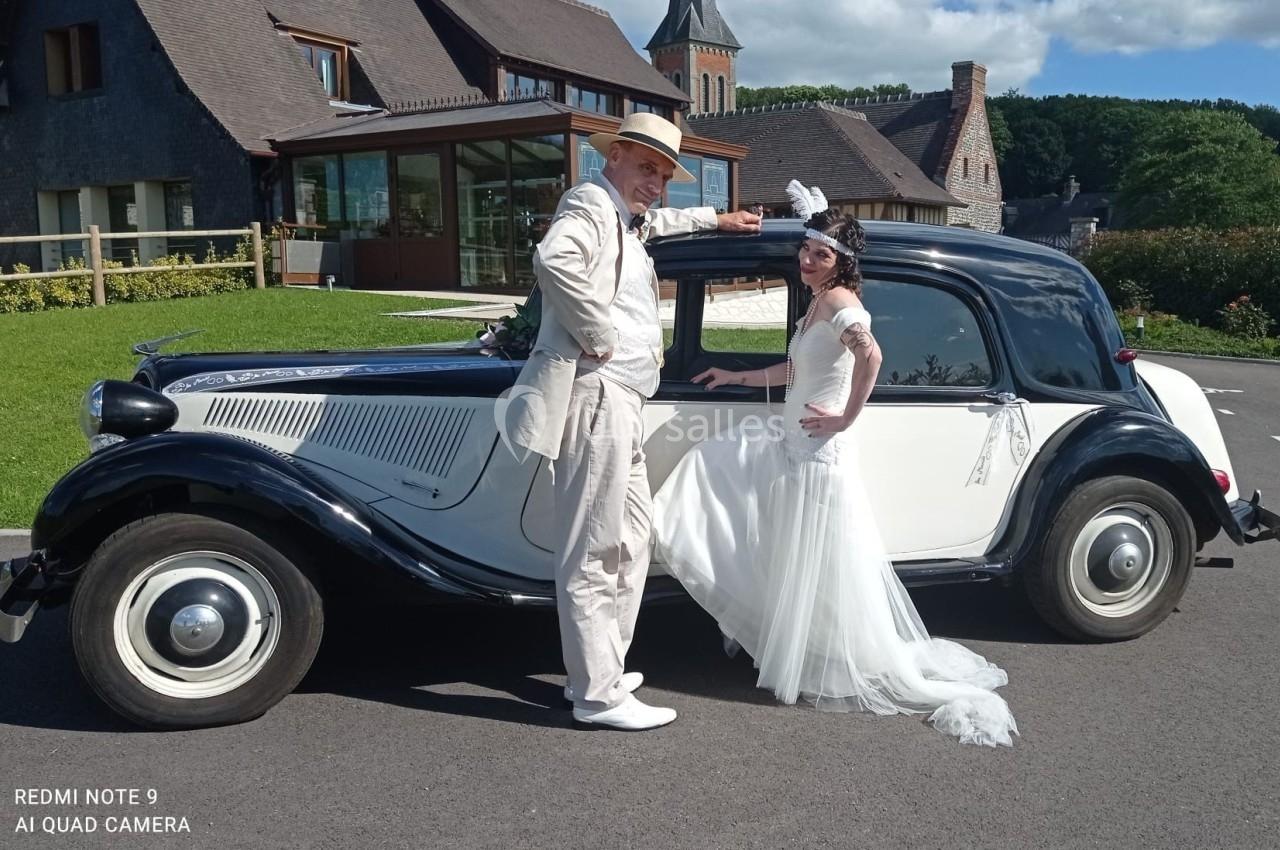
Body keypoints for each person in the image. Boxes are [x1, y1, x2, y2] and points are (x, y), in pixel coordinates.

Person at [651, 188, 1018, 747]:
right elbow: (800, 370)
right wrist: (736, 377)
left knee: (814, 558)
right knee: (779, 537)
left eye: (819, 255)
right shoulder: (820, 299)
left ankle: (817, 650)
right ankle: (795, 638)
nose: (806, 261)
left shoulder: (839, 299)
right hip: (792, 439)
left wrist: (846, 418)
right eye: (805, 250)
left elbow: (870, 354)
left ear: (841, 262)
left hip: (816, 451)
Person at [500, 113, 761, 731]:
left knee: (631, 537)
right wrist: (598, 335)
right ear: (613, 156)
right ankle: (596, 695)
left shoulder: (621, 213)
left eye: (665, 174)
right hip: (598, 393)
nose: (657, 184)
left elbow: (652, 222)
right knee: (594, 547)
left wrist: (711, 218)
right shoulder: (589, 202)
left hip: (623, 400)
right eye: (648, 168)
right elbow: (556, 261)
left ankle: (603, 667)